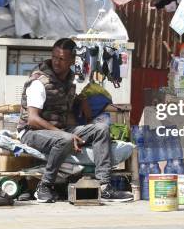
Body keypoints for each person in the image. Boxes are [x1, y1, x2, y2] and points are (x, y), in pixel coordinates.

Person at [17, 38, 133, 203]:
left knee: (101, 128)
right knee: (65, 139)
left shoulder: (69, 80)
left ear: (72, 60)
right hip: (31, 132)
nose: (57, 62)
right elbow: (33, 119)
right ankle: (44, 186)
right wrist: (64, 135)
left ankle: (104, 186)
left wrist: (81, 99)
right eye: (55, 57)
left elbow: (62, 96)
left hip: (59, 131)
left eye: (62, 59)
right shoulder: (39, 82)